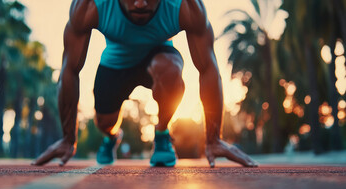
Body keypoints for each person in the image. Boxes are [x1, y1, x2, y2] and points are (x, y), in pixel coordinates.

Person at [32, 0, 258, 168]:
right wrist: (68, 138)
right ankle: (111, 138)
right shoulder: (90, 5)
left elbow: (208, 69)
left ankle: (162, 136)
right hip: (115, 62)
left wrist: (213, 139)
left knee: (169, 68)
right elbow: (69, 70)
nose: (140, 4)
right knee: (104, 122)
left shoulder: (186, 6)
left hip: (159, 56)